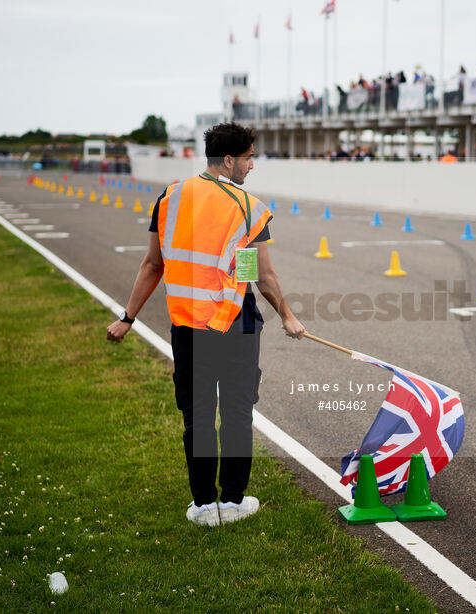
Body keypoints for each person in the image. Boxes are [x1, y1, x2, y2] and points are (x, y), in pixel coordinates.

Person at [106, 123, 305, 527]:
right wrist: (286, 314)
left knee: (197, 415)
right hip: (237, 325)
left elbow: (152, 264)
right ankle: (232, 502)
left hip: (189, 327)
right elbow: (260, 275)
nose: (252, 166)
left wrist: (128, 318)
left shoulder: (171, 196)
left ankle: (203, 507)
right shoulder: (248, 206)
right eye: (249, 157)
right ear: (229, 160)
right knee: (236, 413)